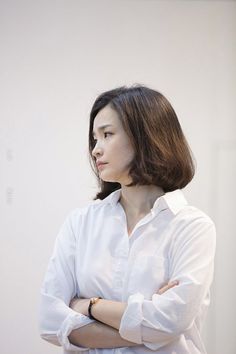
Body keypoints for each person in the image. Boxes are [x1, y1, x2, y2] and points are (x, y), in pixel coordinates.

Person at [39, 85, 216, 354]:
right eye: (94, 139)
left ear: (145, 136)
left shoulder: (192, 227)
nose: (96, 150)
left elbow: (171, 321)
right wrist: (150, 328)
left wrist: (87, 306)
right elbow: (50, 322)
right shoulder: (80, 223)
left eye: (107, 134)